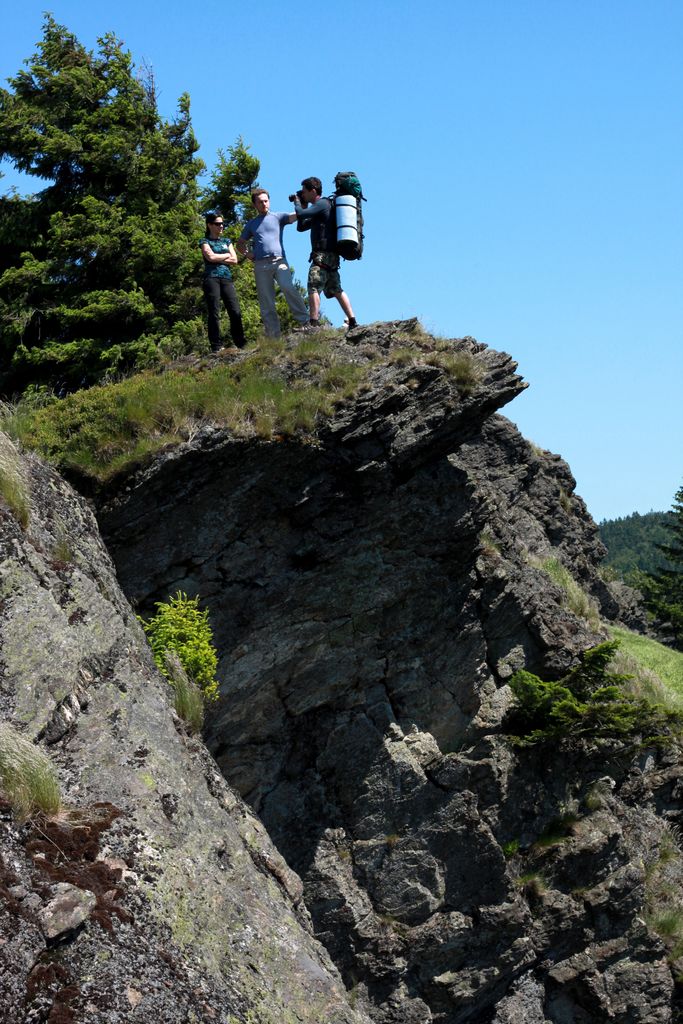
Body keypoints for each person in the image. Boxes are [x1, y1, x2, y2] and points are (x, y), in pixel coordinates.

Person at [237, 189, 309, 337]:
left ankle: (305, 322)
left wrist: (299, 202)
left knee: (287, 287)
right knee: (266, 301)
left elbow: (298, 215)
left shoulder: (278, 217)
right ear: (254, 204)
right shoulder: (252, 224)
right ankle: (273, 337)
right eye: (260, 202)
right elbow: (240, 243)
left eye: (266, 200)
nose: (264, 204)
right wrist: (248, 254)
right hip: (261, 264)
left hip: (279, 260)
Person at [293, 177, 357, 330]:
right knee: (336, 289)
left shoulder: (322, 204)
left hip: (322, 256)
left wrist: (296, 202)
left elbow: (301, 214)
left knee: (313, 287)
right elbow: (301, 226)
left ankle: (313, 324)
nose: (302, 194)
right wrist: (303, 204)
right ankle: (353, 321)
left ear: (313, 191)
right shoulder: (322, 208)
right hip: (333, 257)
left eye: (304, 192)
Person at [200, 213, 246, 352]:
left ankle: (241, 343)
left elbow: (235, 260)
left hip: (226, 278)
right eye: (218, 224)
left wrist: (217, 257)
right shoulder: (204, 241)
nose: (221, 226)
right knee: (214, 311)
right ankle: (216, 345)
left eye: (222, 224)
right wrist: (226, 255)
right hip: (211, 278)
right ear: (209, 225)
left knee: (235, 310)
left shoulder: (226, 241)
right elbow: (210, 256)